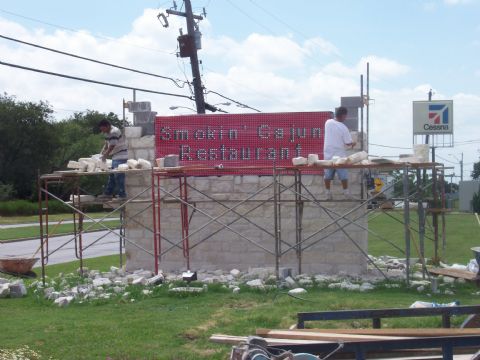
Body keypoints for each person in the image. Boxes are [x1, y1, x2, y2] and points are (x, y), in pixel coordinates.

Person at [323, 106, 356, 200]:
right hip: (339, 156)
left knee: (327, 175)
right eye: (345, 116)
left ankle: (328, 193)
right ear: (343, 115)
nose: (346, 118)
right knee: (343, 175)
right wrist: (353, 143)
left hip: (328, 154)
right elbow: (348, 143)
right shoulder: (344, 128)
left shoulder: (328, 122)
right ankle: (346, 193)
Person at [97, 119, 128, 200]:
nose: (103, 131)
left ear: (107, 126)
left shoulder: (114, 132)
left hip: (121, 155)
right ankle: (108, 193)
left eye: (103, 129)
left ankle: (122, 195)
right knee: (112, 175)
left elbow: (112, 146)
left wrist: (105, 155)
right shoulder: (108, 133)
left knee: (118, 175)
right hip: (116, 156)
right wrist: (101, 152)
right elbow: (107, 144)